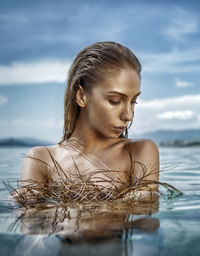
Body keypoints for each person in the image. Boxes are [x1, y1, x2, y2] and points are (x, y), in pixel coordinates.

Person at [21, 41, 159, 193]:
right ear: (81, 96)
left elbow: (146, 210)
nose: (128, 115)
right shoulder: (41, 159)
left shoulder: (139, 152)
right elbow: (27, 214)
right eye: (114, 101)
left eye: (133, 102)